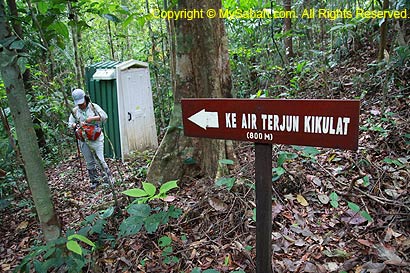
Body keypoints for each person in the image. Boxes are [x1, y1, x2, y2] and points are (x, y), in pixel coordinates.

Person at [68, 88, 113, 189]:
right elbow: (70, 124)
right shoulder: (75, 111)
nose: (80, 105)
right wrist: (75, 125)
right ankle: (95, 181)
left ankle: (108, 179)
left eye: (82, 102)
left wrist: (91, 119)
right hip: (83, 139)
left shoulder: (93, 107)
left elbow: (104, 116)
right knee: (89, 161)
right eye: (78, 103)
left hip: (95, 137)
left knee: (100, 160)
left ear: (85, 98)